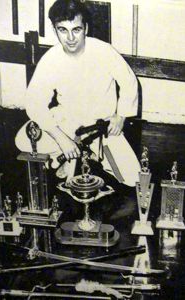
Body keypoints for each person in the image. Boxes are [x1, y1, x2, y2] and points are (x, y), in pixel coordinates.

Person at [16, 0, 141, 186]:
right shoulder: (51, 59)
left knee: (134, 179)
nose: (70, 38)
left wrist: (121, 116)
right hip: (68, 121)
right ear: (55, 29)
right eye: (63, 30)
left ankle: (88, 154)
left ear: (86, 28)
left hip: (102, 127)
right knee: (23, 140)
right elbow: (35, 103)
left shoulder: (104, 52)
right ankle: (66, 154)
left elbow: (129, 82)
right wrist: (62, 140)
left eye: (76, 29)